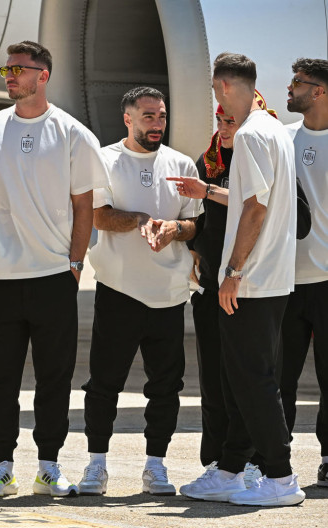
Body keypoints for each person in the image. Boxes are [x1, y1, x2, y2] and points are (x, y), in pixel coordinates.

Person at [0, 40, 108, 498]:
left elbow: (85, 207)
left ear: (42, 76)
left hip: (53, 279)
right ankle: (1, 466)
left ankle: (48, 466)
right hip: (0, 278)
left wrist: (75, 264)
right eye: (7, 69)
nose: (9, 76)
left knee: (54, 379)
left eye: (19, 69)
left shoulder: (71, 133)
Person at [179, 52, 304, 507]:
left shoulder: (250, 135)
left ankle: (280, 477)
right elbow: (258, 199)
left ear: (227, 87)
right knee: (243, 380)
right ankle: (231, 469)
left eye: (215, 91)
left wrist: (231, 272)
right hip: (273, 278)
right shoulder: (273, 128)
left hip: (251, 280)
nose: (216, 99)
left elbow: (255, 207)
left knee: (253, 383)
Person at [77, 87, 200, 496]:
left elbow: (195, 225)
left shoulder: (181, 163)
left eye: (161, 116)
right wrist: (141, 220)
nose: (157, 124)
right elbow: (100, 216)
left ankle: (156, 467)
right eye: (148, 116)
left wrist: (175, 229)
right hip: (119, 291)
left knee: (166, 386)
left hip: (169, 294)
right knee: (103, 383)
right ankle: (96, 466)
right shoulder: (107, 160)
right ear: (127, 118)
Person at [282, 57, 328, 487]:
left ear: (320, 92)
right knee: (280, 378)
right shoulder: (282, 139)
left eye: (298, 82)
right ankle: (276, 459)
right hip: (286, 281)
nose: (290, 87)